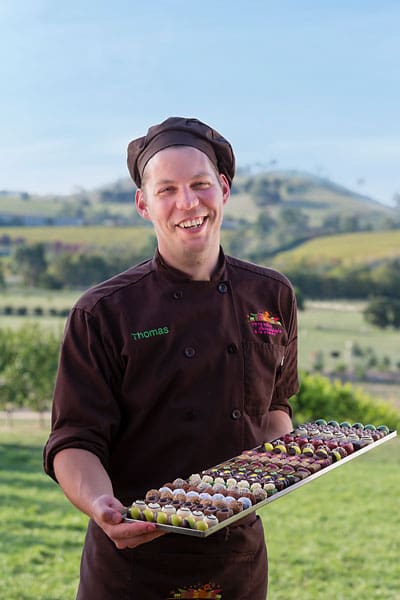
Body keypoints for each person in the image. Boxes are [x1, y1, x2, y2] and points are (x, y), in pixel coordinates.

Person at [43, 116, 299, 600]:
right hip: (133, 561)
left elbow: (274, 408)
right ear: (143, 203)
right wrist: (99, 503)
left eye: (200, 184)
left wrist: (283, 464)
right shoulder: (103, 312)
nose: (188, 203)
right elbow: (74, 439)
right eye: (167, 190)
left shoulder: (272, 295)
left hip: (237, 558)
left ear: (223, 189)